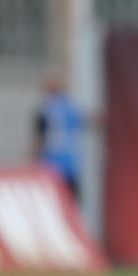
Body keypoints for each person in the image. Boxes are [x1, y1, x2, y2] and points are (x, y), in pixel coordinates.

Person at [32, 71, 85, 202]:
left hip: (50, 164)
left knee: (52, 203)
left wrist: (33, 157)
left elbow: (39, 136)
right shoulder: (70, 105)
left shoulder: (45, 108)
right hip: (70, 164)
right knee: (72, 204)